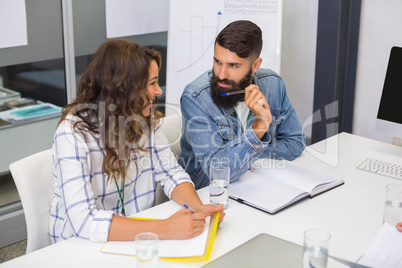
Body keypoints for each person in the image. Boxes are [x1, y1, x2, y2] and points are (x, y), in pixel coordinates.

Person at [49, 39, 224, 244]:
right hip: (81, 245)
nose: (159, 91)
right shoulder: (72, 134)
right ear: (123, 89)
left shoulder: (144, 120)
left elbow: (170, 173)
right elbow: (84, 221)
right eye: (152, 83)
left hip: (135, 235)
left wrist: (199, 208)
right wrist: (165, 228)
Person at [179, 20, 305, 189]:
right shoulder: (196, 97)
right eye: (217, 62)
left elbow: (295, 142)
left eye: (233, 65)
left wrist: (248, 157)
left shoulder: (273, 84)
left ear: (255, 66)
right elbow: (216, 171)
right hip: (208, 191)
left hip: (257, 183)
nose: (222, 74)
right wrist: (258, 130)